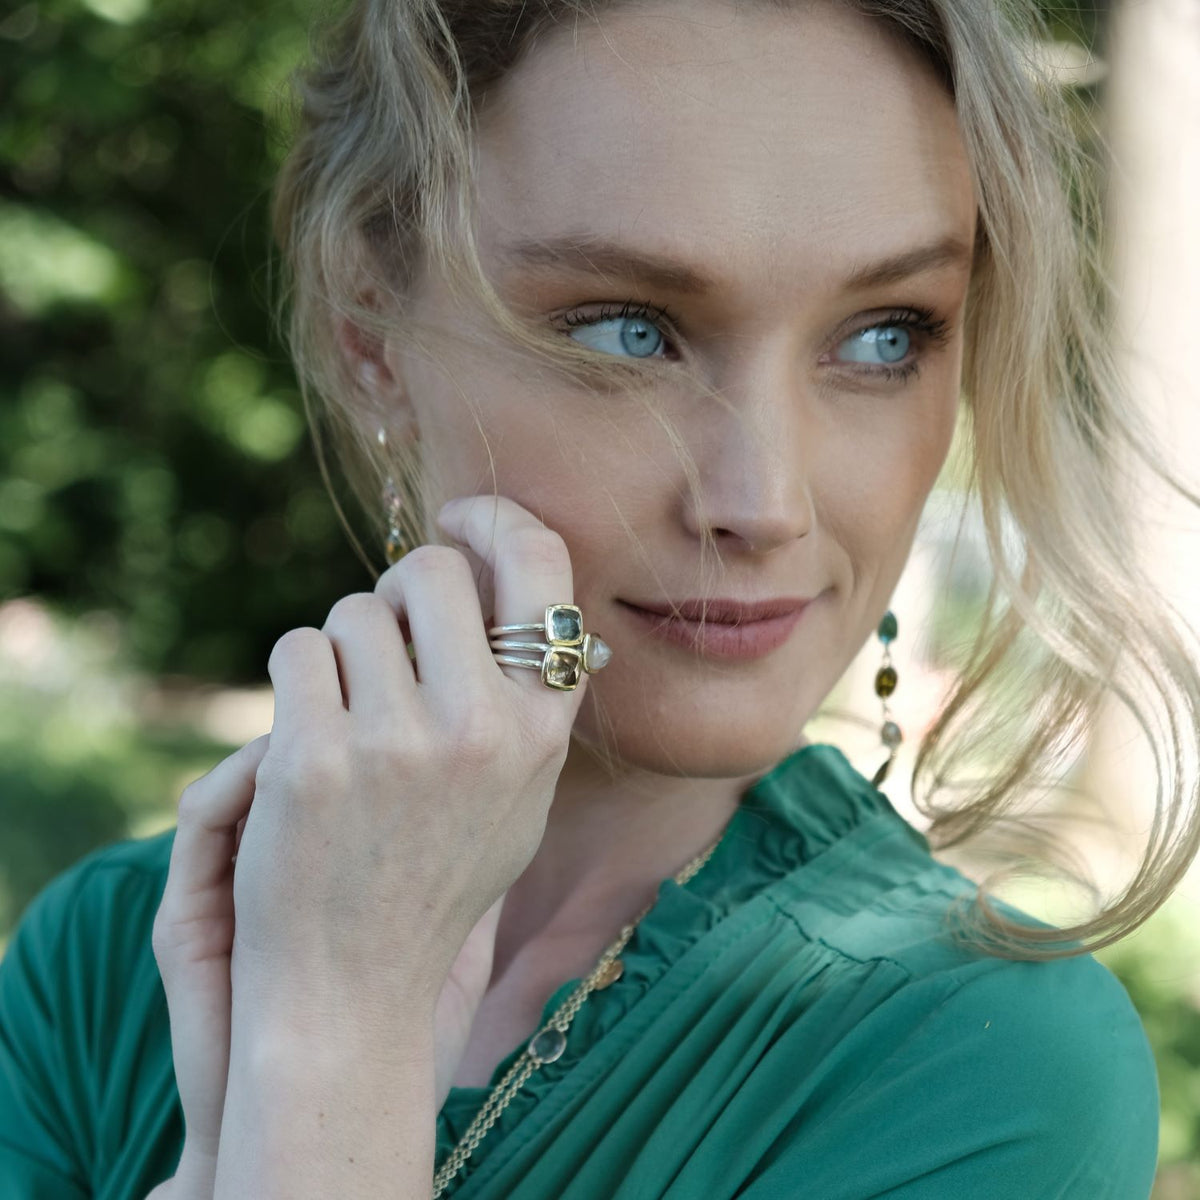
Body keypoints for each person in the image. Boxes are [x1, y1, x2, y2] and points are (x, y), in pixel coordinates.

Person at [2, 0, 1196, 1196]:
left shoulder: (979, 1071)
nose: (765, 503)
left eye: (886, 337)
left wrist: (327, 1063)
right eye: (631, 332)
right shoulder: (110, 959)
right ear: (370, 332)